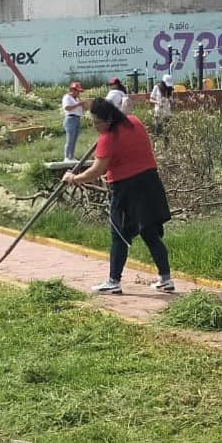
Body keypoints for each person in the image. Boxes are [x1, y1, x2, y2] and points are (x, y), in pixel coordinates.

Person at [62, 97, 173, 295]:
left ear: (110, 120)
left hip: (126, 189)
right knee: (149, 232)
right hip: (150, 183)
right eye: (93, 122)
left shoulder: (107, 140)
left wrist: (73, 178)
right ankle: (166, 279)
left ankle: (114, 281)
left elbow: (96, 171)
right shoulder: (135, 122)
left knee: (118, 234)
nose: (95, 126)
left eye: (98, 122)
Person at [61, 82, 85, 161]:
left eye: (79, 91)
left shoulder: (77, 99)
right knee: (70, 139)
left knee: (74, 139)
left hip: (77, 118)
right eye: (77, 91)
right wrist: (78, 104)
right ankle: (67, 157)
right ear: (72, 90)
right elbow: (67, 108)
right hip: (70, 119)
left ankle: (71, 156)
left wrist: (82, 105)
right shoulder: (67, 97)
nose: (78, 93)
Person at [148, 75, 174, 143]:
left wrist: (170, 100)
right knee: (157, 131)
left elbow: (171, 100)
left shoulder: (170, 89)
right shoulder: (157, 87)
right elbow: (151, 99)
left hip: (167, 113)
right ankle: (156, 147)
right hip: (159, 112)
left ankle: (166, 148)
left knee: (167, 132)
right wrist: (157, 102)